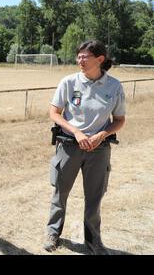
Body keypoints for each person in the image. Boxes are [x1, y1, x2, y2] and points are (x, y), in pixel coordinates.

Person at [44, 40, 126, 255]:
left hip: (99, 151)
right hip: (69, 146)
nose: (80, 60)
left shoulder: (114, 86)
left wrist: (102, 134)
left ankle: (93, 242)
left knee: (94, 198)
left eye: (85, 56)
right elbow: (54, 113)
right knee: (60, 194)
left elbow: (119, 119)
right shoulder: (69, 82)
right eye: (78, 56)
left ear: (100, 59)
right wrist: (77, 132)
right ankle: (53, 233)